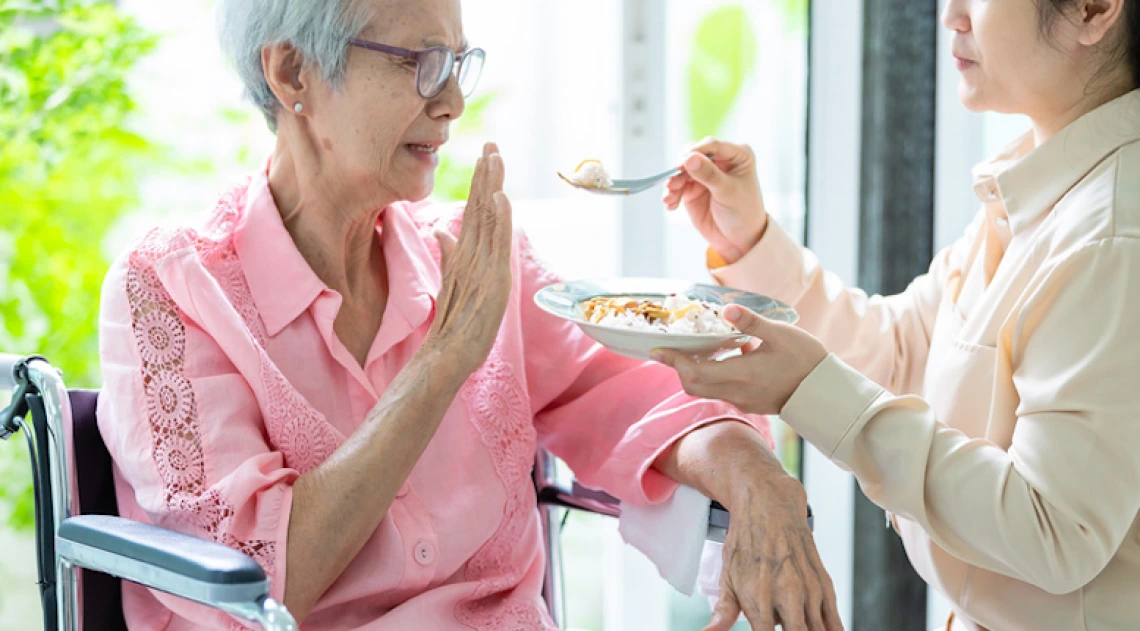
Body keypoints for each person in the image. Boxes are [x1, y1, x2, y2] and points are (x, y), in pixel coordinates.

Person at [96, 0, 841, 629]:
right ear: (293, 74)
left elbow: (626, 390)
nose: (451, 102)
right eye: (417, 62)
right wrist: (442, 364)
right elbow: (261, 581)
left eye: (459, 62)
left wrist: (755, 477)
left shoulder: (472, 255)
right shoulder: (171, 292)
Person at [655, 0, 1140, 629]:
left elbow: (1056, 532)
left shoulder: (1111, 236)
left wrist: (815, 391)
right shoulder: (1043, 182)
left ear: (1094, 9)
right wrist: (751, 243)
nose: (950, 17)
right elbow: (900, 352)